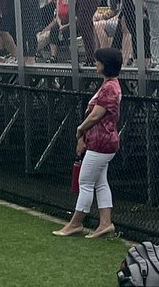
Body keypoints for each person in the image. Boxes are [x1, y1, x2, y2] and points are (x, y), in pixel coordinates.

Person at [53, 47, 122, 238]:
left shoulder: (109, 87)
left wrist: (80, 129)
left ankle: (75, 223)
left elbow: (96, 115)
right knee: (100, 182)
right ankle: (105, 223)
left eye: (98, 60)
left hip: (101, 141)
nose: (95, 63)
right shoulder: (110, 85)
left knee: (85, 182)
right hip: (104, 141)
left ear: (105, 64)